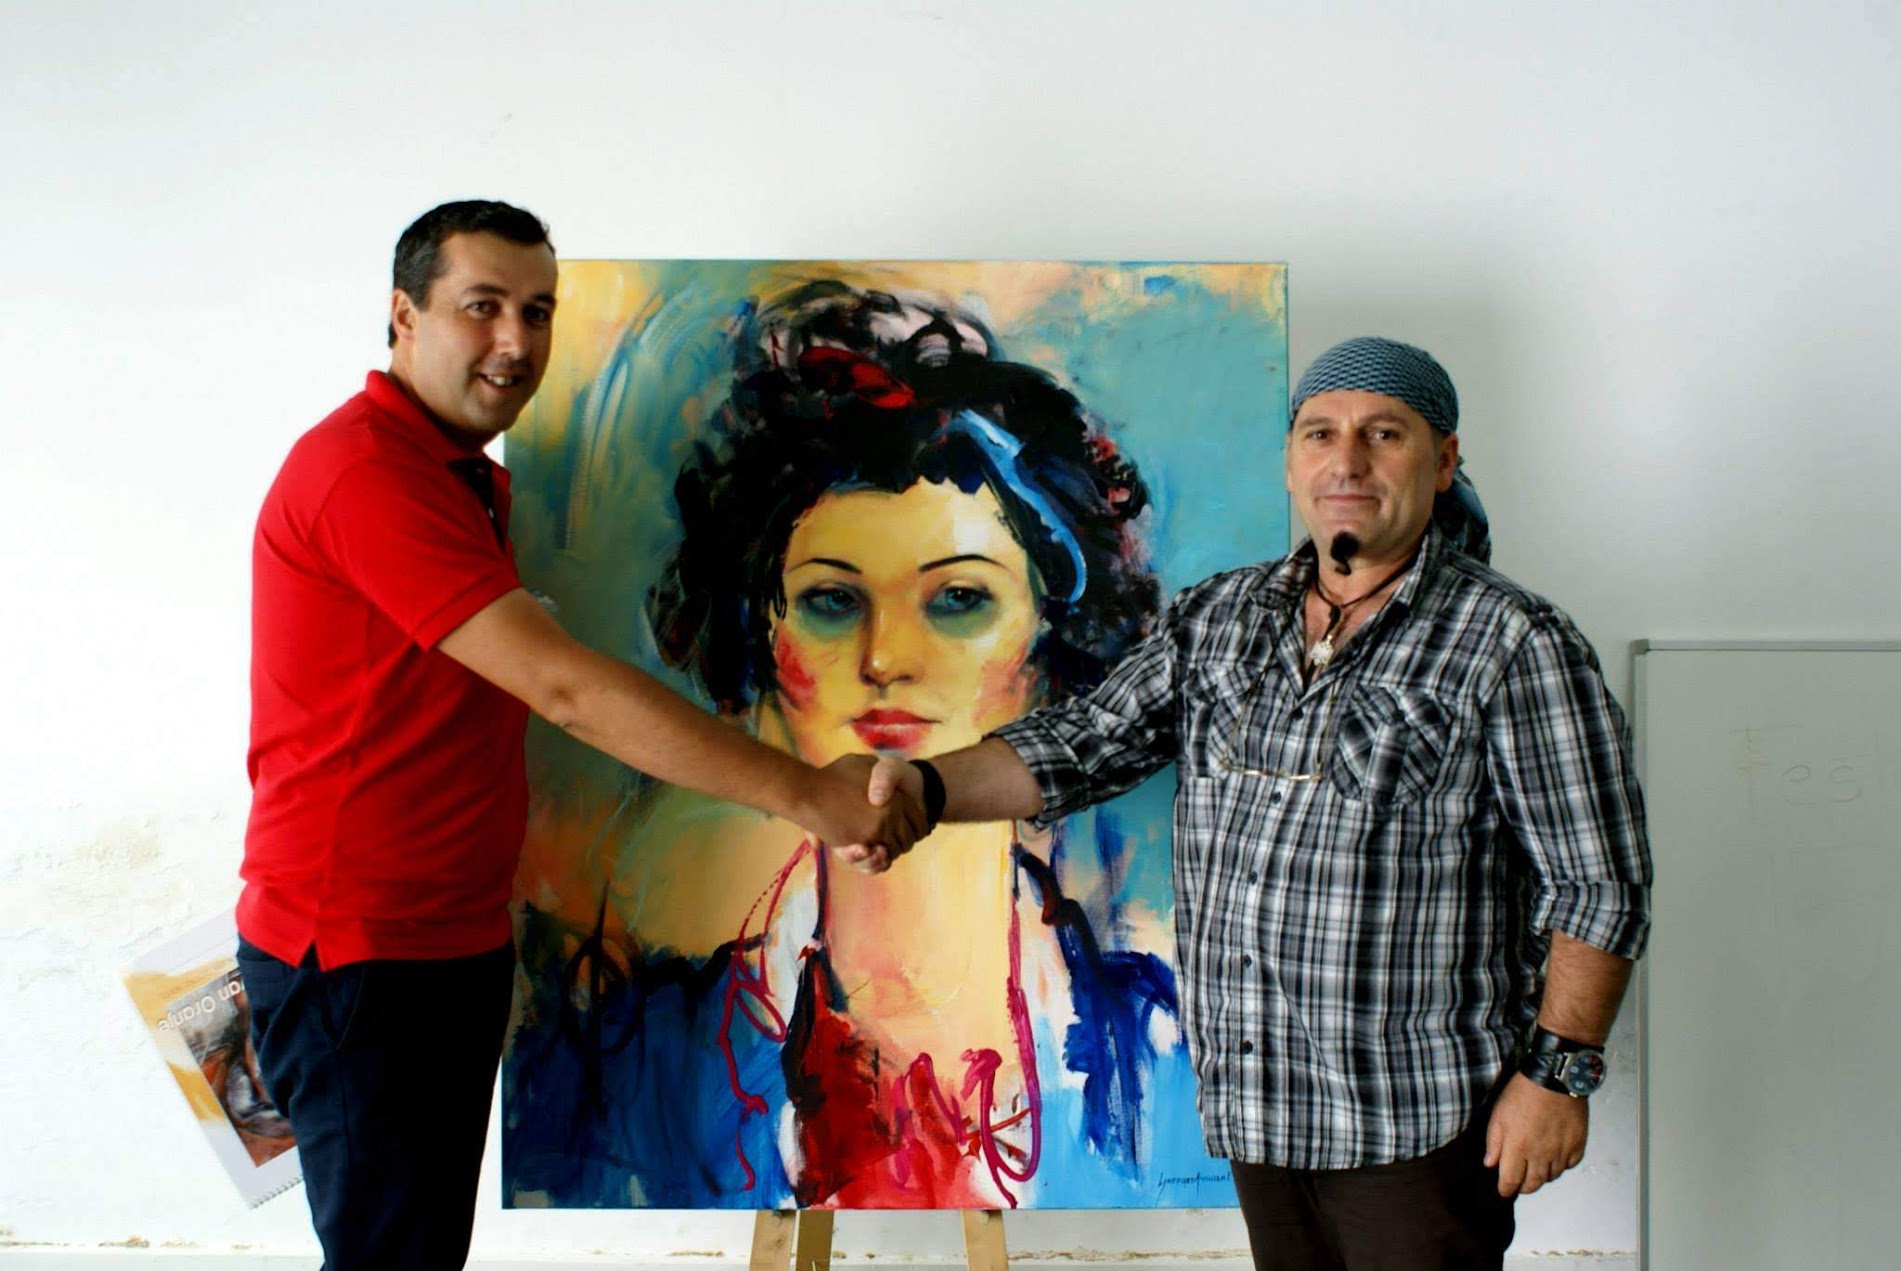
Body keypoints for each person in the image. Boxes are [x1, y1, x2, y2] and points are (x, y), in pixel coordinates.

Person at [842, 336, 1653, 1269]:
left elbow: (1597, 882)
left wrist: (1557, 1076)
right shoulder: (1218, 618)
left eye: (1383, 434)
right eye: (1320, 433)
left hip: (1417, 1121)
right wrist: (923, 786)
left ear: (1443, 460)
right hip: (1261, 1111)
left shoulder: (1514, 642)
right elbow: (1084, 745)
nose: (1346, 461)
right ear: (1291, 461)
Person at [234, 203, 924, 1269]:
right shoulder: (367, 470)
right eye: (482, 306)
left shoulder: (462, 475)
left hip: (445, 940)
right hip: (360, 955)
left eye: (539, 311)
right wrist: (808, 793)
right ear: (404, 315)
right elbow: (562, 687)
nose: (515, 341)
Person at [505, 281, 1195, 1209]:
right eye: (832, 600)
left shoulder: (1170, 1055)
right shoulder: (623, 1065)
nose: (885, 660)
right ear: (761, 642)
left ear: (1048, 646)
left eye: (959, 600)